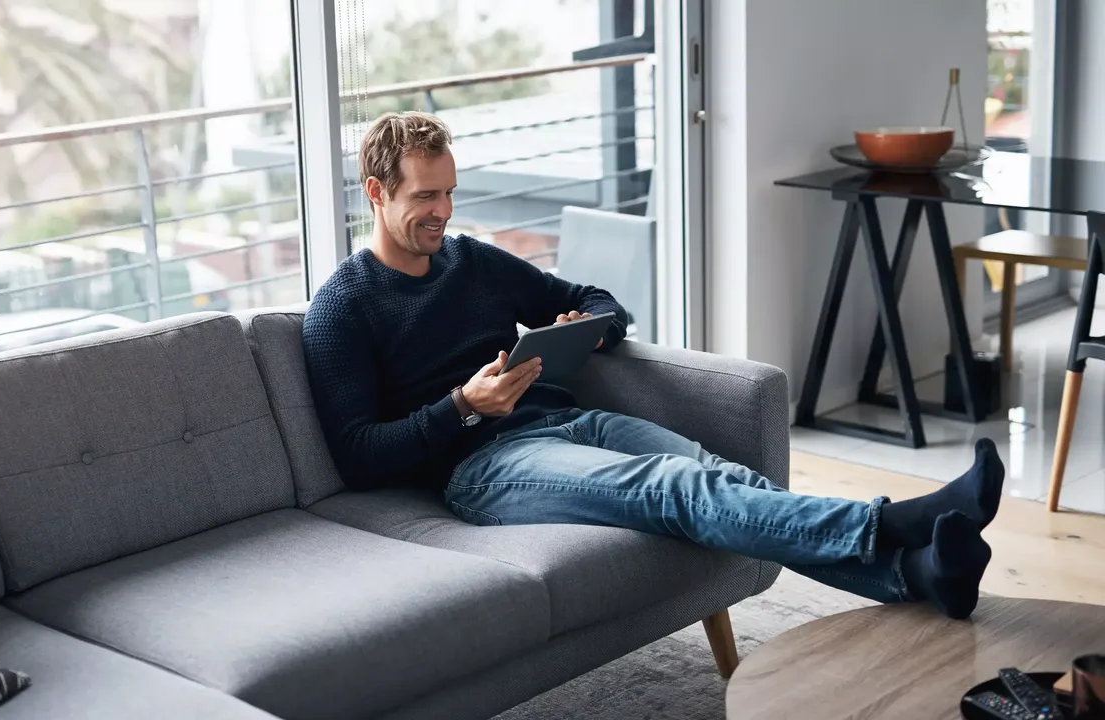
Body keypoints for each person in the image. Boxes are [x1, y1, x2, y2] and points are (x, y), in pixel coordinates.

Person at [301, 111, 1004, 620]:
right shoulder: (343, 308)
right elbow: (359, 455)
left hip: (569, 425)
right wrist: (463, 406)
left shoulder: (471, 260)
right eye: (426, 196)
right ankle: (897, 521)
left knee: (723, 476)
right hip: (481, 471)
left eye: (450, 192)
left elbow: (595, 299)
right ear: (375, 192)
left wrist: (589, 328)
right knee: (674, 487)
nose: (444, 212)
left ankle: (921, 574)